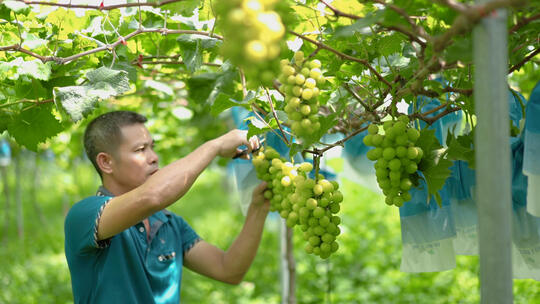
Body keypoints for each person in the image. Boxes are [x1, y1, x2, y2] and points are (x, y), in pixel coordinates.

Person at [64, 110, 269, 304]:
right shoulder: (85, 216)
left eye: (152, 146)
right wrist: (215, 146)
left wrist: (258, 209)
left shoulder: (168, 223)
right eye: (140, 150)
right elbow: (153, 196)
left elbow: (228, 270)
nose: (153, 157)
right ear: (106, 162)